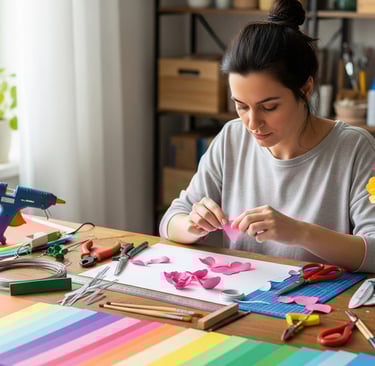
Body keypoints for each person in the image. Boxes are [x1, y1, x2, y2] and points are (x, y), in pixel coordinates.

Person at [159, 0, 375, 273]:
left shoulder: (354, 148)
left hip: (320, 306)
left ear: (306, 89)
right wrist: (191, 225)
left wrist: (299, 232)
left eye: (269, 107)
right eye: (241, 105)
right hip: (241, 301)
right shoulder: (231, 138)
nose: (252, 123)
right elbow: (169, 221)